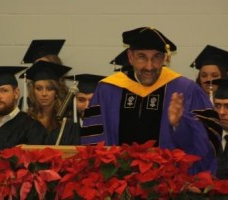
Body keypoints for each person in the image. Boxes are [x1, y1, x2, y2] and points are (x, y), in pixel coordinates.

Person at [81, 27, 219, 175]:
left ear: (165, 58)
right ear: (130, 57)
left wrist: (180, 124)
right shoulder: (108, 90)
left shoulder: (185, 89)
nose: (149, 66)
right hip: (119, 183)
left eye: (156, 57)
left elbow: (207, 143)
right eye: (142, 57)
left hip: (168, 184)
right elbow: (93, 142)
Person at [20, 60, 80, 145]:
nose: (44, 94)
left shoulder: (67, 122)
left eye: (49, 88)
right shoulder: (25, 120)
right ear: (33, 90)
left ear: (56, 91)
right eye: (39, 88)